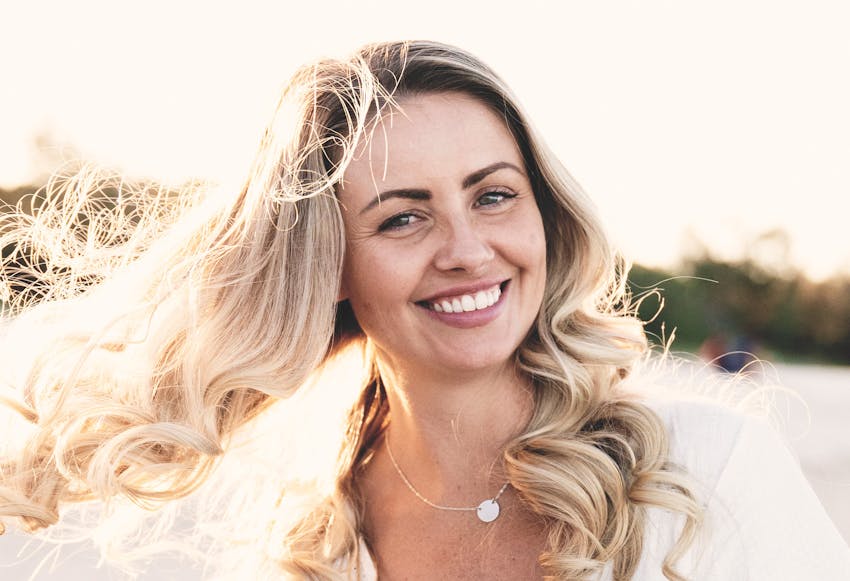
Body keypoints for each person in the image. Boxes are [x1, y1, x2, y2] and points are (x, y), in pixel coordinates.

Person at [0, 40, 848, 581]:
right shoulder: (301, 537)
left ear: (544, 214)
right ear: (328, 265)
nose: (467, 250)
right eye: (402, 218)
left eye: (493, 195)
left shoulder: (709, 470)